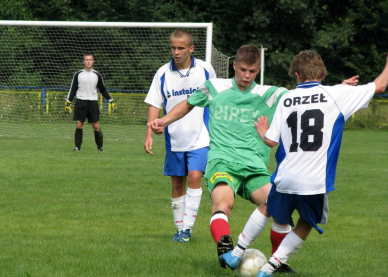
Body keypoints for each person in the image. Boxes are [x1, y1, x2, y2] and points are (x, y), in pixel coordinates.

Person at [148, 45, 358, 271]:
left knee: (280, 209)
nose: (247, 76)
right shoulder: (215, 87)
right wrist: (164, 120)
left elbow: (307, 94)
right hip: (223, 162)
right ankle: (225, 249)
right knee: (223, 204)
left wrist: (337, 89)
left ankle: (279, 263)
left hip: (254, 167)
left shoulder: (270, 94)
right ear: (235, 66)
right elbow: (188, 104)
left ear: (258, 71)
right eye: (244, 70)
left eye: (253, 72)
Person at [221, 50, 388, 277]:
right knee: (306, 223)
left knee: (268, 207)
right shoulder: (336, 94)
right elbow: (379, 86)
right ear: (322, 72)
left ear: (297, 74)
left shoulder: (287, 98)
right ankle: (269, 268)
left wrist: (262, 132)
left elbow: (271, 141)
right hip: (315, 181)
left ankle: (235, 253)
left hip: (285, 176)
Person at [144, 30, 216, 242]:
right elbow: (155, 103)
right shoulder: (163, 73)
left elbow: (215, 98)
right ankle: (179, 229)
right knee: (177, 183)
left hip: (201, 135)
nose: (176, 52)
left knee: (195, 177)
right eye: (173, 48)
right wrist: (148, 133)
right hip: (174, 137)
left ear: (191, 49)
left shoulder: (205, 70)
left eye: (181, 48)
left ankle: (186, 229)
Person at [65, 54, 116, 152]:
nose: (88, 61)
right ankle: (77, 147)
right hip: (81, 102)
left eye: (90, 60)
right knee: (79, 124)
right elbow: (73, 89)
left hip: (93, 102)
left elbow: (103, 89)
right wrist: (68, 102)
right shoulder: (78, 74)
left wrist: (111, 100)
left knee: (96, 125)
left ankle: (100, 147)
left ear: (93, 62)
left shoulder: (97, 75)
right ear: (83, 61)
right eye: (86, 60)